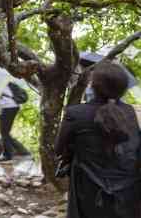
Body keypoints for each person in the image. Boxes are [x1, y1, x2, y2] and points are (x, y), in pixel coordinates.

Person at [55, 62, 141, 218]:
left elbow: (58, 149)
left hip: (89, 191)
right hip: (128, 192)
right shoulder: (129, 112)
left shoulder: (75, 113)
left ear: (93, 86)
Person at [0, 83, 29, 163]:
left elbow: (0, 98)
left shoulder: (1, 83)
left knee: (4, 132)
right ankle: (21, 152)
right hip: (9, 107)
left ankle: (8, 155)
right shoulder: (2, 82)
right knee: (5, 132)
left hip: (9, 107)